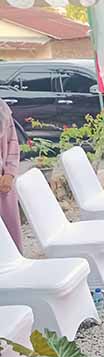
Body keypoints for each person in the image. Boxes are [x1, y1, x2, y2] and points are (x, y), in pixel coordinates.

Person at [0, 98, 21, 251]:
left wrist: (10, 173)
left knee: (10, 236)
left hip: (4, 185)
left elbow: (12, 143)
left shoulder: (2, 108)